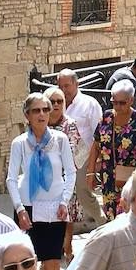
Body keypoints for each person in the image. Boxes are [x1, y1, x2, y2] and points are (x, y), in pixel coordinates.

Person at [6, 94, 75, 270]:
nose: (42, 114)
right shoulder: (19, 143)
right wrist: (19, 209)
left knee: (52, 259)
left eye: (45, 109)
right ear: (27, 115)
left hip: (55, 205)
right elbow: (11, 178)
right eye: (36, 110)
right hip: (28, 205)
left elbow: (70, 173)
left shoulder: (60, 140)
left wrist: (64, 202)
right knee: (26, 259)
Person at [87, 82, 136, 221]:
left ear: (131, 100)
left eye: (122, 103)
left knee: (131, 216)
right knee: (111, 217)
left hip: (133, 178)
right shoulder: (106, 118)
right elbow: (96, 146)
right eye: (115, 102)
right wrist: (90, 173)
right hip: (109, 178)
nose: (118, 107)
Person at [60, 70, 105, 228]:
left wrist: (96, 161)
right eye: (61, 86)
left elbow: (98, 134)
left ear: (76, 84)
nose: (64, 90)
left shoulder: (89, 104)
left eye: (67, 85)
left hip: (82, 157)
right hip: (60, 158)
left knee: (82, 191)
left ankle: (102, 222)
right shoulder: (57, 103)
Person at [46, 86, 86, 260]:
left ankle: (68, 248)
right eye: (52, 101)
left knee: (66, 215)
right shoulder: (40, 122)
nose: (56, 104)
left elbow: (71, 149)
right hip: (45, 178)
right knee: (46, 217)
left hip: (65, 176)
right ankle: (46, 254)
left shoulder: (69, 124)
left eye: (59, 101)